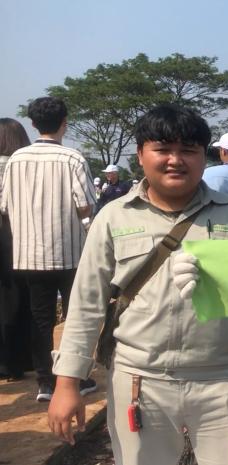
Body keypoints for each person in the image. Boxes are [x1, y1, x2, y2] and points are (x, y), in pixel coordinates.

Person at [48, 104, 228, 465]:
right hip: (139, 381)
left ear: (204, 157)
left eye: (188, 150)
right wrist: (67, 383)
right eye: (163, 149)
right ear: (141, 155)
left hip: (221, 377)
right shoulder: (114, 217)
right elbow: (86, 302)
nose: (175, 160)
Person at [0, 97, 97, 401]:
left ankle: (45, 382)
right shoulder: (73, 159)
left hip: (29, 254)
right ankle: (75, 379)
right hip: (68, 254)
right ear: (64, 123)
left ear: (33, 124)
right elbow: (86, 206)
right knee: (74, 319)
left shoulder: (15, 160)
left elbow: (4, 205)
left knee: (40, 318)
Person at [0, 117, 33, 381]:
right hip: (21, 236)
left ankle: (5, 362)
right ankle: (25, 359)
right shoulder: (25, 165)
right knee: (23, 298)